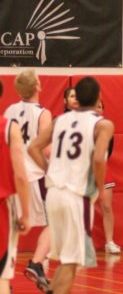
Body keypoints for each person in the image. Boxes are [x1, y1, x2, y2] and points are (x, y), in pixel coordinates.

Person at [28, 76, 114, 294]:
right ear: (99, 97)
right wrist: (101, 189)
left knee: (67, 260)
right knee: (72, 261)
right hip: (76, 196)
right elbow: (99, 159)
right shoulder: (103, 124)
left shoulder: (59, 121)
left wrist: (49, 169)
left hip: (54, 194)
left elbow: (33, 148)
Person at [3, 70, 52, 292]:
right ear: (37, 87)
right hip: (34, 175)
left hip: (11, 176)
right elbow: (45, 149)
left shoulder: (9, 111)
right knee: (57, 221)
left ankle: (5, 280)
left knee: (10, 229)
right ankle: (37, 263)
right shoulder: (43, 113)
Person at [0, 79, 31, 294]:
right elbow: (20, 175)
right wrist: (26, 214)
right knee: (2, 277)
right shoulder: (9, 127)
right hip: (2, 207)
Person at [96, 99, 121, 254]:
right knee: (80, 208)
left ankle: (109, 241)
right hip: (84, 170)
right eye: (95, 106)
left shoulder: (106, 128)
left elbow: (109, 151)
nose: (97, 109)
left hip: (103, 168)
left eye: (100, 107)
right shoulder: (82, 126)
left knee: (106, 206)